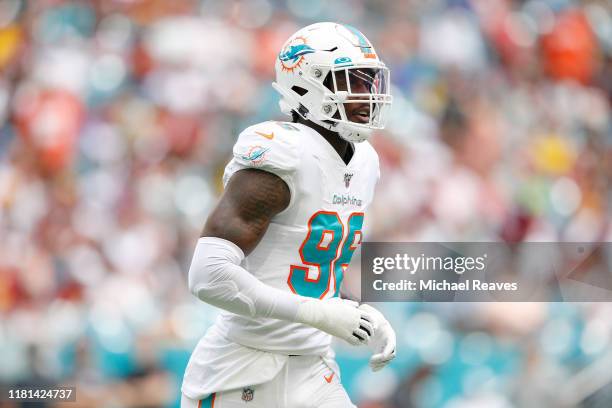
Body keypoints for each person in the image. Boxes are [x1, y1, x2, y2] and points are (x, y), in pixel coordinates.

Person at [181, 22, 396, 408]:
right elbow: (207, 275)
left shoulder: (365, 162)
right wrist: (321, 315)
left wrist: (356, 312)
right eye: (352, 82)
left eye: (369, 82)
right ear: (306, 86)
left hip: (312, 369)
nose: (367, 95)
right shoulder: (284, 153)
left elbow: (303, 269)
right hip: (241, 372)